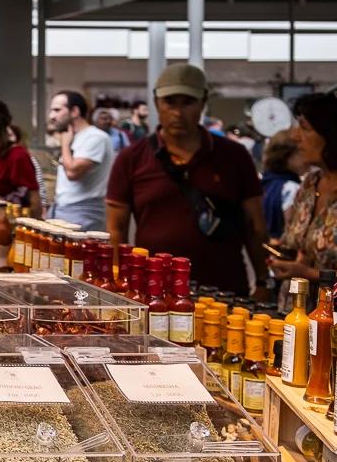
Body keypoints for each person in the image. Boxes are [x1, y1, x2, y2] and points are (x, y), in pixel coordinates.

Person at [106, 63, 268, 299]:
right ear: (156, 102)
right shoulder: (131, 158)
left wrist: (263, 281)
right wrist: (119, 280)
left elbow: (255, 226)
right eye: (170, 102)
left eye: (188, 102)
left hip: (225, 290)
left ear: (203, 102)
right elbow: (116, 229)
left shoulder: (233, 156)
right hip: (154, 291)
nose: (178, 113)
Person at [268, 92, 337, 283]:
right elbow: (297, 247)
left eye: (304, 128)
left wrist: (308, 274)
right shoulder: (310, 183)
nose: (295, 136)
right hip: (293, 309)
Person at [47, 91, 114, 232]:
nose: (51, 116)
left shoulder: (96, 137)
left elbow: (72, 172)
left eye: (57, 110)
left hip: (83, 215)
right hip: (62, 210)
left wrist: (64, 144)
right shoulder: (74, 137)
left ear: (75, 111)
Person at [260, 130, 303, 241]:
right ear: (288, 156)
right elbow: (294, 232)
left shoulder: (267, 182)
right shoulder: (291, 188)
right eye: (301, 152)